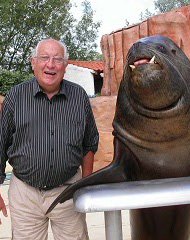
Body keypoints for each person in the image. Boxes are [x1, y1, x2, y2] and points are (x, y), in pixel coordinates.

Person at [0, 39, 99, 240]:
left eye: (57, 59)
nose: (50, 64)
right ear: (33, 62)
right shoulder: (14, 97)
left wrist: (85, 184)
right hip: (25, 195)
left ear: (65, 65)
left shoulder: (79, 96)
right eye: (44, 58)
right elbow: (0, 144)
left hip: (68, 192)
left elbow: (89, 143)